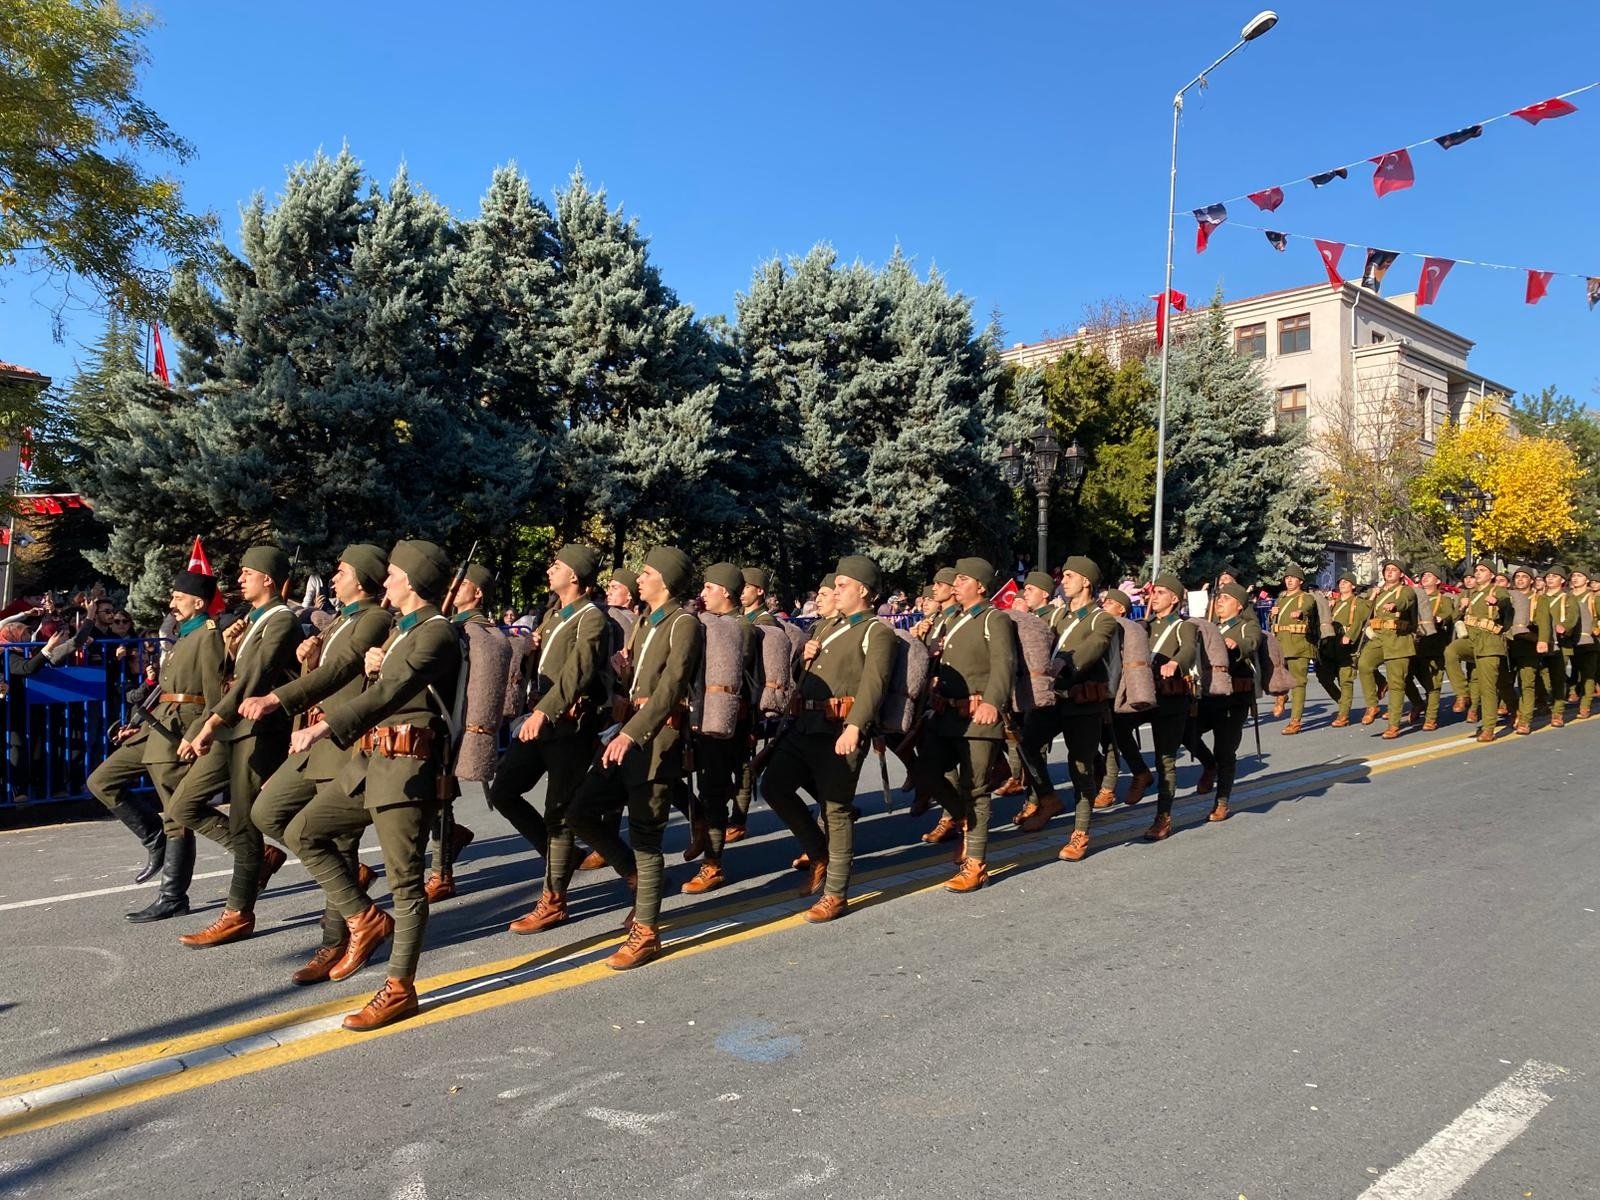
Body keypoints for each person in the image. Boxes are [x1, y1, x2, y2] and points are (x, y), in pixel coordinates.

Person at [285, 539, 463, 1030]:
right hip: (369, 762)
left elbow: (391, 691)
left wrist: (323, 726)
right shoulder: (408, 632)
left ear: (412, 580)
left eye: (393, 573)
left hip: (407, 769)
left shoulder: (437, 634)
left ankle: (400, 987)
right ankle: (365, 917)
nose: (385, 580)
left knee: (407, 885)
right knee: (304, 831)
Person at [243, 545, 393, 983]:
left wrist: (275, 699)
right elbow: (319, 673)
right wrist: (307, 657)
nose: (332, 578)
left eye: (341, 571)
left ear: (361, 579)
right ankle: (354, 894)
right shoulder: (344, 619)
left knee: (337, 843)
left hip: (345, 741)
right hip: (316, 739)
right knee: (265, 811)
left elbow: (343, 671)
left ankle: (337, 941)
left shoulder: (374, 620)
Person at [565, 547, 704, 971]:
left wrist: (632, 732)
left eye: (645, 573)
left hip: (656, 738)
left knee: (646, 833)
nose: (638, 580)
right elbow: (643, 682)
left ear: (665, 580)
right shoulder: (646, 621)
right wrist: (622, 672)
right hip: (626, 733)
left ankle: (646, 932)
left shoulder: (685, 624)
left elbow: (672, 687)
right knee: (581, 812)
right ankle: (638, 877)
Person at [169, 545, 304, 948]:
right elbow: (235, 674)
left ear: (268, 579)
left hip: (256, 731)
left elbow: (254, 680)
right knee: (183, 804)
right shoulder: (252, 620)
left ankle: (238, 913)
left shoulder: (280, 621)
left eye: (248, 572)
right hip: (233, 729)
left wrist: (208, 723)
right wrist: (230, 649)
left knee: (245, 820)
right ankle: (260, 858)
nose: (240, 578)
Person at [87, 569, 224, 919]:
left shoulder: (207, 636)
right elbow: (163, 692)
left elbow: (214, 696)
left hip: (177, 732)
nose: (171, 604)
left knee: (177, 814)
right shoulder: (185, 634)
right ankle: (154, 840)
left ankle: (173, 896)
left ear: (199, 602)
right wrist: (136, 724)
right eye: (173, 598)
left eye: (178, 599)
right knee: (101, 781)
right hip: (156, 726)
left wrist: (196, 734)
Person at [497, 544, 614, 934]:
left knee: (559, 813)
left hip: (568, 726)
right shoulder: (552, 616)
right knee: (504, 791)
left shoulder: (591, 618)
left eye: (557, 565)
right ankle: (560, 856)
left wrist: (546, 711)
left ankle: (554, 900)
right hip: (540, 722)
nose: (550, 570)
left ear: (576, 576)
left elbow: (578, 671)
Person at [913, 557, 1015, 891]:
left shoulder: (993, 619)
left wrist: (993, 702)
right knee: (925, 773)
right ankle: (961, 817)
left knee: (976, 788)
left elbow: (1004, 664)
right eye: (954, 579)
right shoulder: (951, 618)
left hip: (977, 716)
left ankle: (976, 864)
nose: (955, 584)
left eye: (962, 579)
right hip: (946, 715)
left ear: (981, 586)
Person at [423, 562, 510, 901]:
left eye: (462, 584)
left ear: (477, 593)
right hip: (437, 716)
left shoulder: (478, 630)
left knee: (440, 795)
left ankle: (441, 874)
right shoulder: (451, 625)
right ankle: (450, 843)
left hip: (453, 720)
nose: (453, 588)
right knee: (436, 796)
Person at [682, 563, 759, 895]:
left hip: (722, 722)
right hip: (695, 715)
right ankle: (700, 818)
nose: (702, 595)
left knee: (713, 790)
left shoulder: (740, 629)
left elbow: (742, 678)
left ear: (725, 592)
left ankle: (713, 865)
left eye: (708, 588)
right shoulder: (707, 625)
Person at [1045, 555, 1117, 861]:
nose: (1064, 580)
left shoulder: (1103, 618)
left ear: (1086, 581)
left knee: (1080, 768)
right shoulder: (1057, 617)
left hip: (1083, 703)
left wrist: (1067, 661)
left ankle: (1080, 832)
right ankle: (1047, 799)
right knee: (1024, 745)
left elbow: (1095, 645)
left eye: (1070, 576)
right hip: (1052, 700)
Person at [1140, 573, 1197, 841]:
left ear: (1174, 598)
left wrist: (1175, 663)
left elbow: (1188, 649)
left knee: (1165, 758)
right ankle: (1140, 773)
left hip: (1171, 697)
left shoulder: (1182, 626)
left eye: (1161, 592)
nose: (1155, 596)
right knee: (1114, 729)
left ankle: (1163, 816)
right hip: (1144, 693)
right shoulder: (1147, 624)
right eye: (1154, 592)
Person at [1201, 582, 1259, 822]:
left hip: (1234, 698)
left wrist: (1238, 645)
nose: (1220, 602)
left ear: (1238, 605)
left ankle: (1222, 801)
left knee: (1225, 751)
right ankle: (1208, 765)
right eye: (1218, 598)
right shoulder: (1212, 628)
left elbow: (1253, 642)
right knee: (1186, 733)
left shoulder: (1245, 627)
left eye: (1225, 598)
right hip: (1208, 695)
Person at [1093, 588, 1151, 808]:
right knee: (1104, 737)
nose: (1104, 606)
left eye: (1110, 603)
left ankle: (1109, 787)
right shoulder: (1100, 625)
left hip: (1119, 691)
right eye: (1104, 602)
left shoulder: (1124, 628)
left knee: (1113, 737)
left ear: (1122, 609)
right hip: (1102, 689)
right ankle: (1137, 772)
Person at [1357, 559, 1419, 738]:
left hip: (1398, 639)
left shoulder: (1405, 590)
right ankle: (1372, 704)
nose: (1389, 572)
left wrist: (1395, 606)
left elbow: (1406, 601)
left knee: (1397, 683)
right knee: (1364, 664)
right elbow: (1363, 614)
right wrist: (1372, 597)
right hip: (1379, 637)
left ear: (1401, 574)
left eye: (1394, 570)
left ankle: (1393, 725)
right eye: (1387, 570)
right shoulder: (1378, 592)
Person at [1461, 560, 1514, 742]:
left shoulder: (1496, 590)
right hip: (1471, 641)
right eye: (1476, 570)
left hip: (1490, 643)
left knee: (1489, 687)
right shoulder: (1471, 593)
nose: (1477, 573)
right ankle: (1462, 695)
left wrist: (1496, 601)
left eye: (1482, 570)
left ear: (1491, 575)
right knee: (1451, 652)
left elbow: (1506, 602)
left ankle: (1489, 727)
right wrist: (1461, 607)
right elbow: (1454, 617)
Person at [1269, 565, 1319, 735]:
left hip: (1299, 646)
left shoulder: (1305, 597)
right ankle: (1281, 696)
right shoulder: (1281, 598)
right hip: (1281, 644)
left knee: (1298, 684)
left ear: (1300, 581)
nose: (1289, 580)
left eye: (1293, 577)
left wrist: (1300, 613)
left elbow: (1308, 607)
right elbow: (1274, 622)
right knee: (1276, 676)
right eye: (1287, 577)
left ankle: (1295, 721)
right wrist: (1272, 613)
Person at [1408, 565, 1457, 731]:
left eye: (1429, 575)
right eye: (1423, 575)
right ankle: (1417, 703)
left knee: (1433, 682)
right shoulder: (1414, 597)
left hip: (1433, 643)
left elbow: (1449, 614)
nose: (1425, 578)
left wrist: (1439, 618)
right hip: (1413, 643)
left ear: (1437, 580)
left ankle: (1431, 718)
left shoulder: (1443, 599)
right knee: (1402, 675)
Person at [1324, 572, 1370, 728]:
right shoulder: (1333, 603)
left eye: (1346, 582)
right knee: (1323, 676)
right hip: (1331, 644)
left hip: (1347, 644)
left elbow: (1359, 620)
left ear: (1353, 585)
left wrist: (1350, 635)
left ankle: (1343, 715)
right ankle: (1343, 702)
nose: (1342, 584)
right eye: (1340, 582)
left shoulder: (1358, 602)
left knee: (1345, 680)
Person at [1506, 565, 1547, 735]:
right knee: (1503, 682)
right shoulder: (1509, 597)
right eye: (1517, 577)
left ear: (1531, 580)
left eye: (1524, 576)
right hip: (1507, 645)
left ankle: (1525, 720)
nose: (1520, 580)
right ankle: (1515, 709)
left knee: (1527, 684)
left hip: (1528, 644)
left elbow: (1543, 622)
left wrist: (1542, 639)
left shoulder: (1538, 599)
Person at [1540, 565, 1577, 728]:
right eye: (1548, 576)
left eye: (1554, 576)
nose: (1550, 579)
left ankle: (1558, 713)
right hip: (1540, 642)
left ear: (1562, 580)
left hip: (1560, 643)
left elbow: (1573, 616)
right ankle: (1544, 702)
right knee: (1539, 677)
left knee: (1558, 678)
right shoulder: (1539, 597)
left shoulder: (1568, 598)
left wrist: (1565, 626)